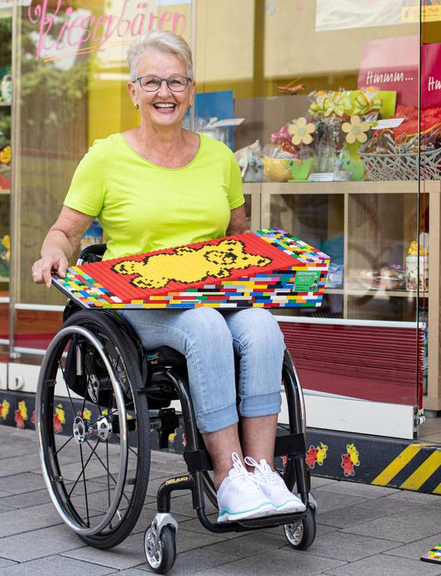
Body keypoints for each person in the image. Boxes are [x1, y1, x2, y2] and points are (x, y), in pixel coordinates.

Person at [31, 30, 303, 523]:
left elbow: (239, 237)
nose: (165, 93)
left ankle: (262, 471)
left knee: (261, 325)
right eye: (152, 81)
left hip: (217, 292)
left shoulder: (220, 158)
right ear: (133, 91)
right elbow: (65, 231)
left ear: (191, 89)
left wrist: (276, 267)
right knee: (204, 326)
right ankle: (228, 477)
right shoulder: (106, 157)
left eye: (176, 81)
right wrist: (53, 254)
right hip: (142, 305)